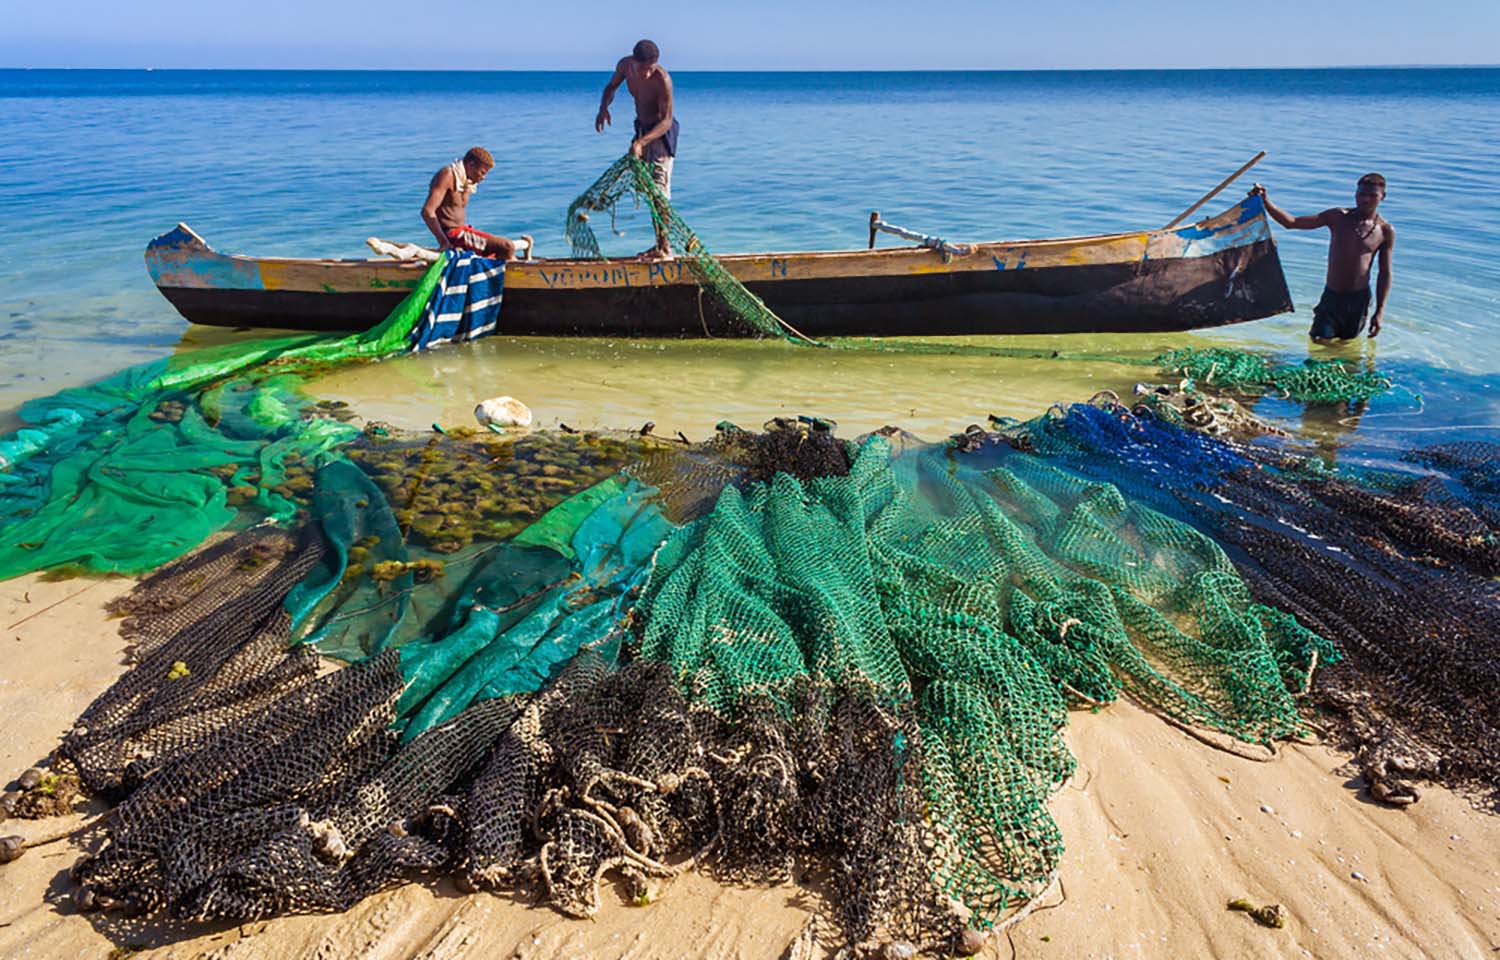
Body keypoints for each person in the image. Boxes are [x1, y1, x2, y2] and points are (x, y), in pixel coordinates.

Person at [1250, 175, 1394, 341]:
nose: (1365, 199)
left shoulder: (1385, 230)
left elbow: (1385, 273)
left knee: (1345, 349)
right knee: (1318, 341)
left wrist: (1379, 312)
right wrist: (1265, 201)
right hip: (1332, 296)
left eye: (1372, 195)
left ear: (1382, 196)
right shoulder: (1338, 217)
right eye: (1361, 194)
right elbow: (1291, 222)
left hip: (1358, 301)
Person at [595, 39, 677, 259]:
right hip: (642, 128)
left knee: (659, 192)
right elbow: (611, 87)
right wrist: (603, 108)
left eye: (651, 69)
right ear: (633, 61)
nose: (647, 74)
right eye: (642, 69)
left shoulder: (663, 80)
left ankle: (665, 248)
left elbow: (667, 121)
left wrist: (641, 143)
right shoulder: (624, 66)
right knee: (649, 191)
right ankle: (659, 245)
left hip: (660, 135)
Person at [421, 147, 516, 260]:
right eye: (482, 172)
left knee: (500, 250)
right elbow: (427, 211)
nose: (483, 177)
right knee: (507, 246)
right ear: (471, 165)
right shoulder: (447, 175)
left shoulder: (466, 183)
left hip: (463, 232)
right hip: (454, 235)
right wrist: (443, 242)